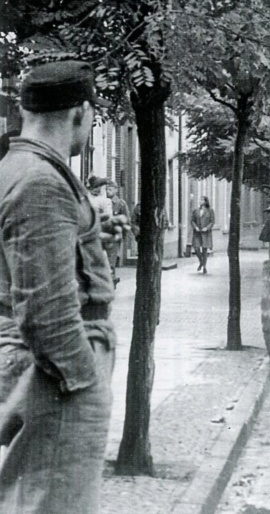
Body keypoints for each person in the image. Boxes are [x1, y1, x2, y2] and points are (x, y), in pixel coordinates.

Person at [0, 60, 122, 512]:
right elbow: (44, 309)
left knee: (34, 494)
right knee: (53, 501)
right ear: (81, 113)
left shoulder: (22, 167)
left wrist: (86, 232)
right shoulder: (40, 182)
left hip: (46, 366)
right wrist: (83, 379)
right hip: (59, 372)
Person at [107, 182, 130, 286]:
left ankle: (111, 284)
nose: (108, 191)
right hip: (103, 237)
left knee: (111, 261)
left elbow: (126, 221)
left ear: (116, 190)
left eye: (110, 189)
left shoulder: (121, 204)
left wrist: (122, 237)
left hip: (114, 237)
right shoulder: (103, 202)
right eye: (106, 189)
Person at [191, 196, 215, 274]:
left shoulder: (210, 211)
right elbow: (192, 221)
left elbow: (212, 221)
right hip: (197, 232)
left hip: (206, 233)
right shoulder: (195, 210)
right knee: (196, 248)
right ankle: (201, 262)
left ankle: (204, 267)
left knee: (204, 250)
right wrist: (196, 227)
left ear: (205, 201)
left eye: (201, 200)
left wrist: (207, 228)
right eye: (199, 199)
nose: (200, 201)